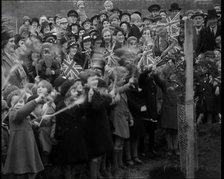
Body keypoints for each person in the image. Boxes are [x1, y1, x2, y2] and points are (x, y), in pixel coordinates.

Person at [3, 90, 44, 179]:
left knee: (31, 170)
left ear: (24, 103)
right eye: (15, 103)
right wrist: (35, 101)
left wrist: (34, 125)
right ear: (10, 105)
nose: (19, 104)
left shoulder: (26, 115)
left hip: (28, 147)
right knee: (21, 171)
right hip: (20, 150)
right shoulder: (12, 113)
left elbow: (24, 122)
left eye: (21, 102)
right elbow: (20, 114)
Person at [53, 79, 88, 179]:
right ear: (68, 92)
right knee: (67, 164)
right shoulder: (60, 106)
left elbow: (85, 110)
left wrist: (82, 96)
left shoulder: (79, 104)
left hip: (78, 136)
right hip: (66, 138)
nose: (76, 92)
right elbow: (58, 123)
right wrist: (58, 135)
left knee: (78, 162)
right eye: (74, 90)